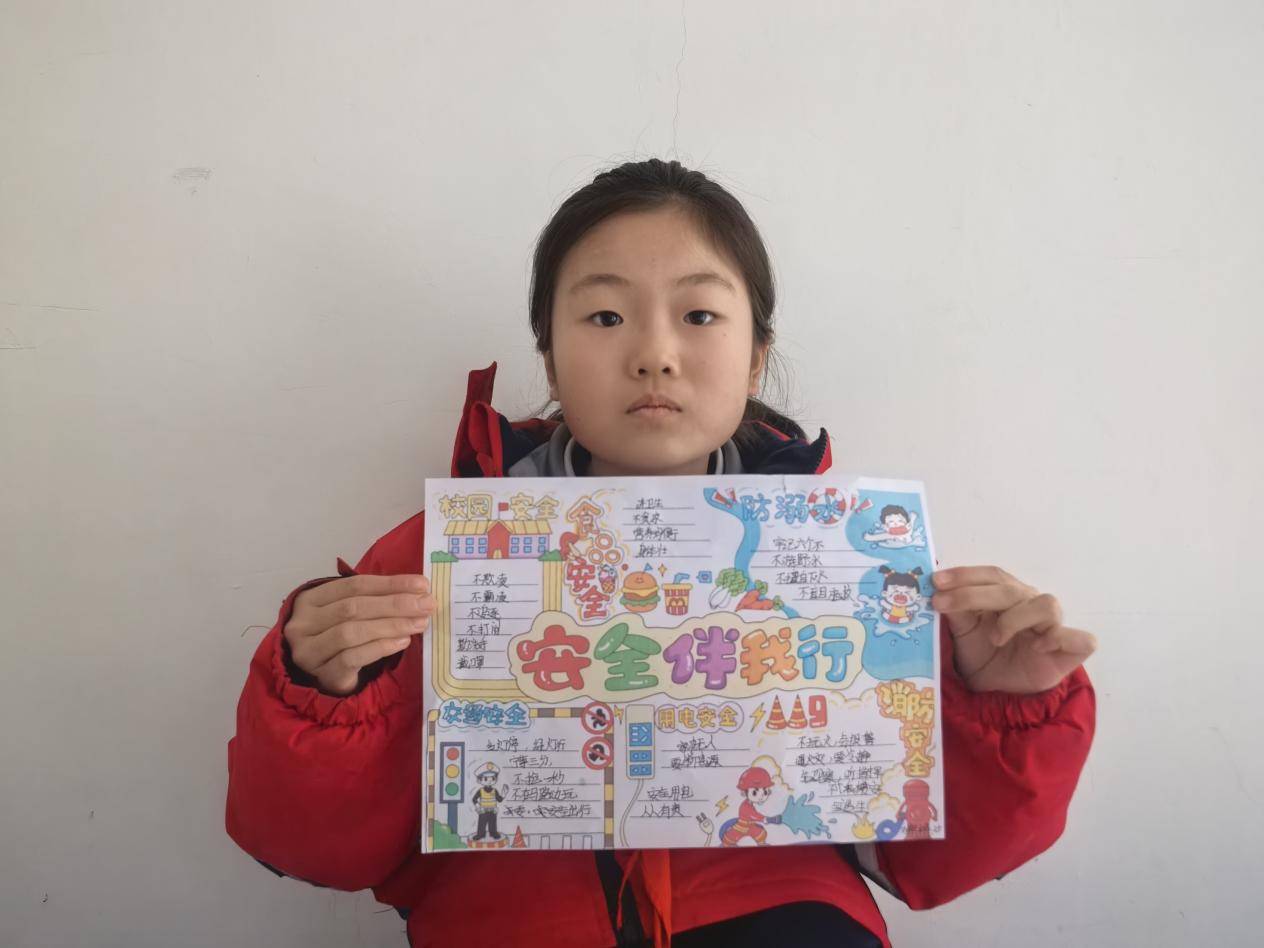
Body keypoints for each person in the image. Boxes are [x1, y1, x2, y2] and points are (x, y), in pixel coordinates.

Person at [225, 158, 1098, 948]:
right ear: (550, 359)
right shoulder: (436, 560)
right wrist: (317, 692)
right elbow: (314, 848)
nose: (654, 355)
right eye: (605, 315)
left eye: (700, 314)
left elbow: (928, 863)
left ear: (755, 358)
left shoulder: (856, 565)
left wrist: (1002, 708)